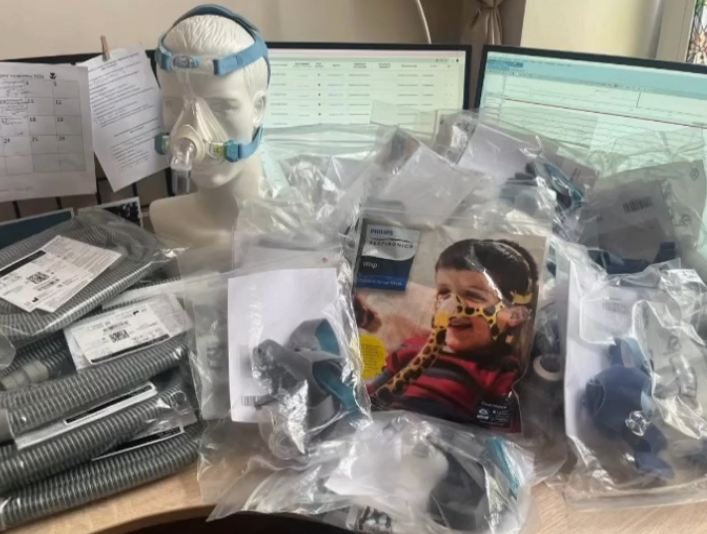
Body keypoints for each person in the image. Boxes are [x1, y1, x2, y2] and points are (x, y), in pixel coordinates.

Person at [367, 238, 539, 430]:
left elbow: (503, 429)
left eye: (473, 295)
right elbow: (370, 395)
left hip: (450, 440)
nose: (451, 306)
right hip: (385, 432)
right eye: (444, 292)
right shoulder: (412, 346)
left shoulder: (499, 368)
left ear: (514, 315)